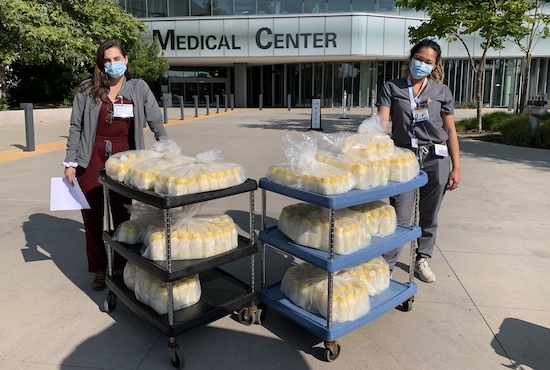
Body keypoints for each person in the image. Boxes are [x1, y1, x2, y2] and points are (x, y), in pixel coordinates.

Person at [63, 39, 169, 291]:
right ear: (101, 64)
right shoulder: (87, 89)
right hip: (91, 154)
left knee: (123, 215)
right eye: (107, 61)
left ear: (126, 60)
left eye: (116, 59)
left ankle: (122, 264)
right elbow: (75, 126)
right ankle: (99, 268)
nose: (112, 64)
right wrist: (70, 161)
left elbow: (156, 121)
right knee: (92, 216)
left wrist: (167, 148)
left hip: (126, 155)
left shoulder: (138, 88)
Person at [377, 37, 460, 283]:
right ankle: (387, 266)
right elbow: (382, 124)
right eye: (419, 59)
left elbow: (451, 131)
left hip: (436, 156)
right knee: (400, 214)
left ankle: (422, 257)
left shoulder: (442, 91)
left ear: (435, 66)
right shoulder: (392, 87)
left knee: (429, 213)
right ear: (411, 58)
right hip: (403, 156)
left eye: (428, 62)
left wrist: (457, 166)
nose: (422, 64)